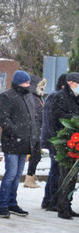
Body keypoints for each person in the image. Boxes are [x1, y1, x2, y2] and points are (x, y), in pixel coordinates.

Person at [0, 70, 40, 219]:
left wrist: (33, 135)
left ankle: (12, 202)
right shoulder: (7, 96)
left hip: (25, 141)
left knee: (17, 176)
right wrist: (16, 131)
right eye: (26, 83)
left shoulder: (28, 96)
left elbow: (33, 118)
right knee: (10, 174)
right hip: (12, 141)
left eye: (29, 82)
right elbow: (3, 119)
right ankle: (3, 205)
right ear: (18, 83)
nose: (28, 85)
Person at [44, 72, 79, 219]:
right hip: (64, 140)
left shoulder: (76, 98)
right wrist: (75, 119)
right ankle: (62, 208)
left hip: (75, 139)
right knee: (64, 175)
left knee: (72, 176)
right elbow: (56, 117)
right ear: (71, 83)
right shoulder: (59, 96)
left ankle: (68, 205)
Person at [41, 74, 68, 211]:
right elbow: (50, 120)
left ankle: (48, 200)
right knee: (55, 170)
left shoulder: (59, 96)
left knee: (56, 170)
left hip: (56, 138)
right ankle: (51, 200)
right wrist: (55, 138)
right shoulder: (55, 97)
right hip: (54, 139)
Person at [24, 75, 45, 188]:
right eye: (41, 85)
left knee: (37, 156)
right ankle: (29, 178)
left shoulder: (39, 98)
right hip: (34, 132)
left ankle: (31, 175)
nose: (43, 87)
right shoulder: (32, 98)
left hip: (38, 131)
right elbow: (35, 117)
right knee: (35, 156)